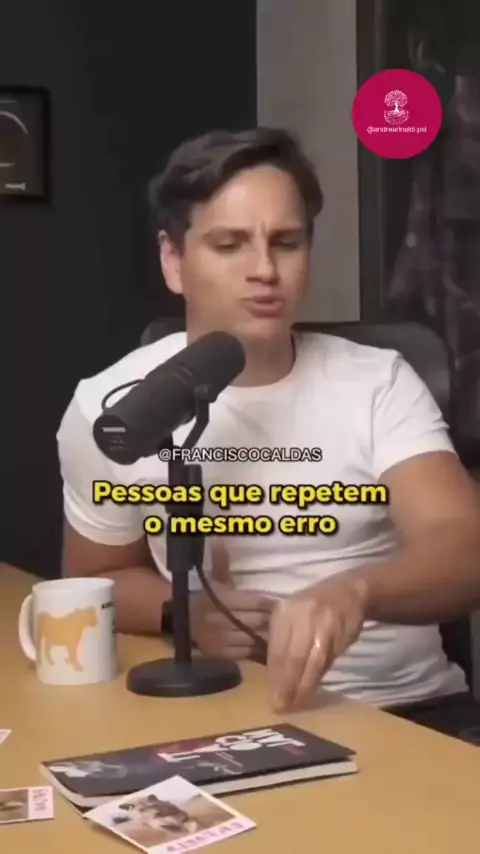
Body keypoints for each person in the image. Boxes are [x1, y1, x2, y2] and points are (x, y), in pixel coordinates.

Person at [57, 127, 480, 731]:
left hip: (406, 711)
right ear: (173, 260)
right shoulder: (114, 405)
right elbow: (96, 577)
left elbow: (463, 549)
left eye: (286, 243)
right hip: (219, 717)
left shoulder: (377, 383)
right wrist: (184, 614)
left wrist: (355, 592)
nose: (264, 270)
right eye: (230, 245)